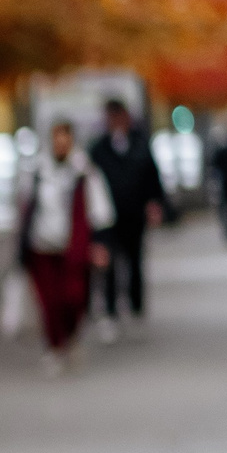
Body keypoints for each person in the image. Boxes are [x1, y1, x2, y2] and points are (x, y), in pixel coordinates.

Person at [16, 120, 114, 374]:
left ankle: (71, 336)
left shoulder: (85, 172)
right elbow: (25, 209)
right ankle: (54, 346)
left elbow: (100, 210)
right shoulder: (37, 170)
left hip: (74, 249)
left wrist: (100, 244)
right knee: (50, 302)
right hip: (42, 247)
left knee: (74, 298)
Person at [85, 98, 165, 338]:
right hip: (108, 216)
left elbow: (152, 176)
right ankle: (110, 309)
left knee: (134, 259)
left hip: (134, 212)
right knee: (108, 263)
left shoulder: (140, 144)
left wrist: (154, 203)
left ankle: (135, 304)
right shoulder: (99, 148)